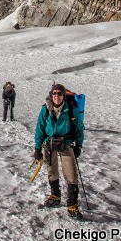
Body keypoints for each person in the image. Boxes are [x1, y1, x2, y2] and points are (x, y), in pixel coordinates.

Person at [33, 83, 85, 219]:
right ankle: (55, 195)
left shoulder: (71, 110)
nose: (57, 96)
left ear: (63, 95)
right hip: (49, 143)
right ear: (51, 95)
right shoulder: (45, 109)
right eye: (54, 93)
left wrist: (78, 145)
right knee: (52, 170)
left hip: (66, 143)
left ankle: (72, 204)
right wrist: (37, 147)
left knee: (71, 172)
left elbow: (79, 128)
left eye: (59, 94)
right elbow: (40, 128)